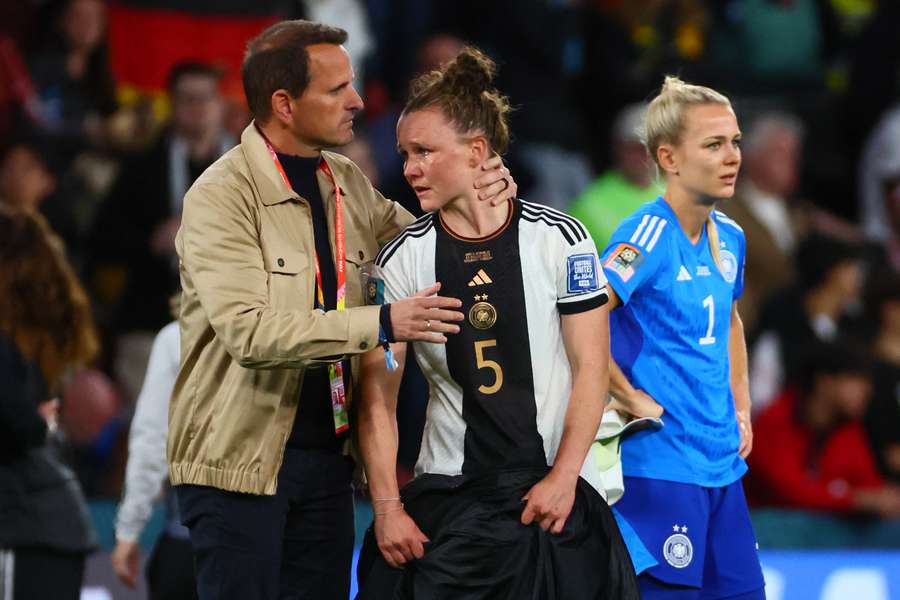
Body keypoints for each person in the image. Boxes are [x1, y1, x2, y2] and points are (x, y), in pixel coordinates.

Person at [167, 20, 514, 600]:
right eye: (337, 89)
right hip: (239, 470)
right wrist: (382, 322)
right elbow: (249, 334)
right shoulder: (218, 198)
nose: (358, 100)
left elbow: (427, 247)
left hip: (328, 462)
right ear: (284, 103)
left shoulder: (347, 182)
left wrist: (481, 194)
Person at [355, 46, 639, 600]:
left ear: (477, 151)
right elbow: (376, 398)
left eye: (424, 151)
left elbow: (590, 368)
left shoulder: (561, 239)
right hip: (450, 501)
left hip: (552, 498)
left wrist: (563, 478)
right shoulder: (401, 260)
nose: (409, 168)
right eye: (404, 153)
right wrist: (387, 507)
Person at [600, 76, 766, 598]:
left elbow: (731, 321)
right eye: (714, 145)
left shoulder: (732, 236)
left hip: (722, 465)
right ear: (669, 159)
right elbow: (580, 318)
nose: (732, 156)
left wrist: (742, 405)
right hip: (662, 467)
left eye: (735, 141)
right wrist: (626, 396)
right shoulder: (644, 234)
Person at [89, 60, 234, 406]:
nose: (197, 108)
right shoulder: (141, 167)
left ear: (221, 105)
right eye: (187, 99)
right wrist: (152, 243)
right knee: (152, 436)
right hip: (151, 319)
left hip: (229, 325)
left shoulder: (248, 167)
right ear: (171, 103)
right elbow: (100, 241)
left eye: (206, 98)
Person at [0, 207, 98, 600]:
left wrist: (38, 423)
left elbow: (20, 423)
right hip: (44, 531)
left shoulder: (9, 344)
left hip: (26, 531)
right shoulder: (21, 343)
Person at [746, 340, 900, 518]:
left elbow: (868, 485)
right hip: (760, 534)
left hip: (812, 536)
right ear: (824, 381)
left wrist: (884, 498)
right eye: (856, 379)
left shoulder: (847, 428)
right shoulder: (775, 420)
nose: (867, 391)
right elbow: (790, 492)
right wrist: (853, 499)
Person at [111, 311, 196, 599]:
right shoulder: (293, 326)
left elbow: (153, 438)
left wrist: (129, 529)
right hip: (278, 540)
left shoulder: (178, 336)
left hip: (193, 541)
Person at [568, 103, 664, 251]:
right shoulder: (589, 206)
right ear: (618, 146)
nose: (645, 154)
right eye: (636, 147)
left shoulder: (681, 193)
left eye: (652, 146)